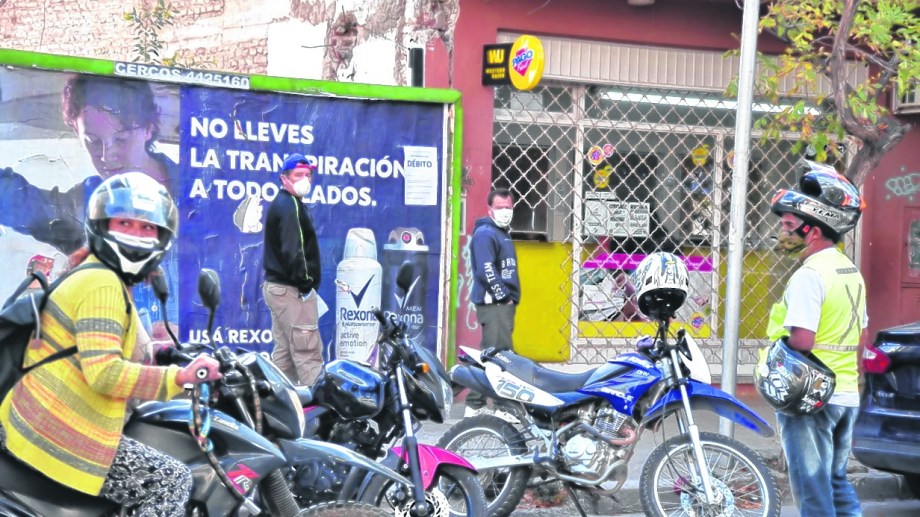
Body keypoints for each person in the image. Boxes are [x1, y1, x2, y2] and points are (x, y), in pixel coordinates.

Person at [0, 172, 220, 516]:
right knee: (171, 481)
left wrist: (163, 353)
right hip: (54, 429)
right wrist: (180, 378)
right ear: (102, 226)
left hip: (39, 414)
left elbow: (97, 345)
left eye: (147, 228)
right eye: (125, 223)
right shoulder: (102, 284)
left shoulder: (97, 274)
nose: (135, 235)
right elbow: (104, 374)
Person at [0, 74, 180, 332]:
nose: (106, 155)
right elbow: (16, 201)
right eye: (92, 141)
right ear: (76, 131)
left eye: (121, 139)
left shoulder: (206, 194)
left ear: (149, 128)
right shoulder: (81, 205)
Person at [761, 160, 868, 516]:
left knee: (812, 488)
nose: (782, 231)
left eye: (789, 225)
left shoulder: (810, 274)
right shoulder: (850, 271)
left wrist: (776, 355)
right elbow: (861, 335)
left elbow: (803, 341)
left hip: (812, 397)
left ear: (815, 230)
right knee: (835, 481)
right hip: (846, 393)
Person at [262, 153, 323, 386]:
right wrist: (306, 285)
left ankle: (277, 402)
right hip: (292, 290)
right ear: (284, 178)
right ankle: (319, 407)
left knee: (285, 355)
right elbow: (293, 250)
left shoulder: (287, 204)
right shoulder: (289, 206)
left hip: (279, 289)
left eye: (308, 175)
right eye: (299, 175)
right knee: (307, 353)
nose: (305, 179)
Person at [466, 188, 521, 416]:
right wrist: (503, 297)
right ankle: (503, 408)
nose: (505, 211)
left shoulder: (500, 233)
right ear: (490, 209)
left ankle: (474, 404)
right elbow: (485, 270)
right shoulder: (486, 234)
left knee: (489, 354)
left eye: (508, 207)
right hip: (495, 305)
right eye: (500, 207)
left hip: (499, 306)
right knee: (501, 355)